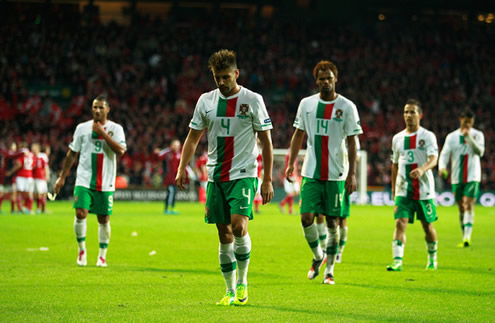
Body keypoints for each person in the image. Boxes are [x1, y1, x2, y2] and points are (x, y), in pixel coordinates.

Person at [175, 49, 274, 306]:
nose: (221, 82)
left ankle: (243, 282)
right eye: (217, 77)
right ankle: (229, 290)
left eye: (226, 77)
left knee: (239, 226)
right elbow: (193, 137)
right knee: (223, 232)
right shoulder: (205, 101)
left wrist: (267, 179)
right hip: (216, 175)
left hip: (244, 173)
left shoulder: (253, 100)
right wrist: (181, 168)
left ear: (236, 74)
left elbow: (266, 140)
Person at [286, 60, 362, 285]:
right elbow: (298, 134)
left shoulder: (347, 106)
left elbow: (352, 142)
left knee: (333, 222)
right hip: (311, 171)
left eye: (329, 78)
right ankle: (318, 256)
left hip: (337, 173)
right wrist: (291, 163)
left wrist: (352, 174)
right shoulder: (306, 104)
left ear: (335, 79)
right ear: (316, 80)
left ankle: (329, 272)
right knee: (305, 218)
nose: (325, 82)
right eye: (321, 78)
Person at [54, 95, 126, 267]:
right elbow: (72, 153)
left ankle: (102, 256)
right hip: (84, 179)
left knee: (103, 218)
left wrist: (102, 133)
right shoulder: (82, 128)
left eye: (101, 107)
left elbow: (121, 150)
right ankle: (81, 251)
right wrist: (62, 177)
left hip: (106, 180)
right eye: (95, 107)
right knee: (80, 213)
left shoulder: (116, 129)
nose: (97, 111)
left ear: (108, 110)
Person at [388, 99, 439, 272]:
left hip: (424, 190)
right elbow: (394, 164)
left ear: (420, 115)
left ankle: (432, 259)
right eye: (406, 112)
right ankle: (397, 261)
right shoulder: (397, 138)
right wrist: (394, 188)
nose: (408, 115)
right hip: (403, 189)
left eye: (412, 112)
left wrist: (422, 169)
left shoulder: (428, 136)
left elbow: (434, 159)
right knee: (400, 223)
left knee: (427, 225)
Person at [438, 109, 484, 248]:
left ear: (473, 122)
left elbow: (480, 152)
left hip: (473, 176)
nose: (468, 124)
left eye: (470, 122)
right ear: (461, 119)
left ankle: (467, 238)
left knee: (468, 204)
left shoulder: (477, 135)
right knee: (461, 207)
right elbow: (445, 153)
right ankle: (465, 233)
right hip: (457, 177)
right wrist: (442, 167)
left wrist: (468, 137)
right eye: (466, 121)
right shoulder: (451, 137)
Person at [155, 139, 181, 214]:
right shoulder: (167, 152)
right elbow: (159, 155)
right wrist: (158, 152)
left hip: (176, 177)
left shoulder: (179, 154)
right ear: (172, 145)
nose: (177, 147)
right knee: (170, 192)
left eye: (178, 145)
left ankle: (172, 208)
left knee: (174, 192)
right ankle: (166, 209)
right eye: (175, 145)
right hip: (168, 177)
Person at [0, 142, 23, 214]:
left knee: (13, 193)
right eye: (14, 146)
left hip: (11, 177)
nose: (15, 148)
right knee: (2, 193)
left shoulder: (10, 154)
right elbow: (14, 156)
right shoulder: (9, 154)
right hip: (5, 177)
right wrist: (22, 152)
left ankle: (13, 210)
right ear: (10, 147)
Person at [12, 143, 34, 214]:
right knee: (29, 193)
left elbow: (19, 164)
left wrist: (11, 170)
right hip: (29, 175)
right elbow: (33, 165)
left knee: (19, 193)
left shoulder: (21, 154)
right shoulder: (31, 154)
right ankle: (29, 209)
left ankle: (19, 209)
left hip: (21, 175)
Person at [32, 143, 50, 214]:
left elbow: (45, 167)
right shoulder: (32, 157)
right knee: (37, 194)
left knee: (44, 193)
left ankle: (43, 209)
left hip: (41, 178)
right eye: (32, 149)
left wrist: (47, 175)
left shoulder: (42, 157)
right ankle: (38, 209)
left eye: (34, 149)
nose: (33, 150)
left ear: (38, 149)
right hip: (35, 178)